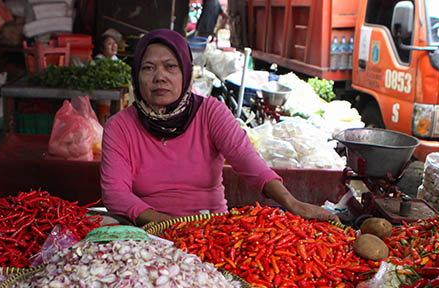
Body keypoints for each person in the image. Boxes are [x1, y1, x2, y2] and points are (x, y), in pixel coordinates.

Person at [100, 29, 337, 227]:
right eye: (148, 68)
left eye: (170, 66)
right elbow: (116, 195)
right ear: (136, 75)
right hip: (149, 232)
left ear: (186, 72)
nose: (159, 77)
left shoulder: (210, 112)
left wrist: (292, 203)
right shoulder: (120, 127)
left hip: (211, 230)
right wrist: (171, 227)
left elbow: (247, 159)